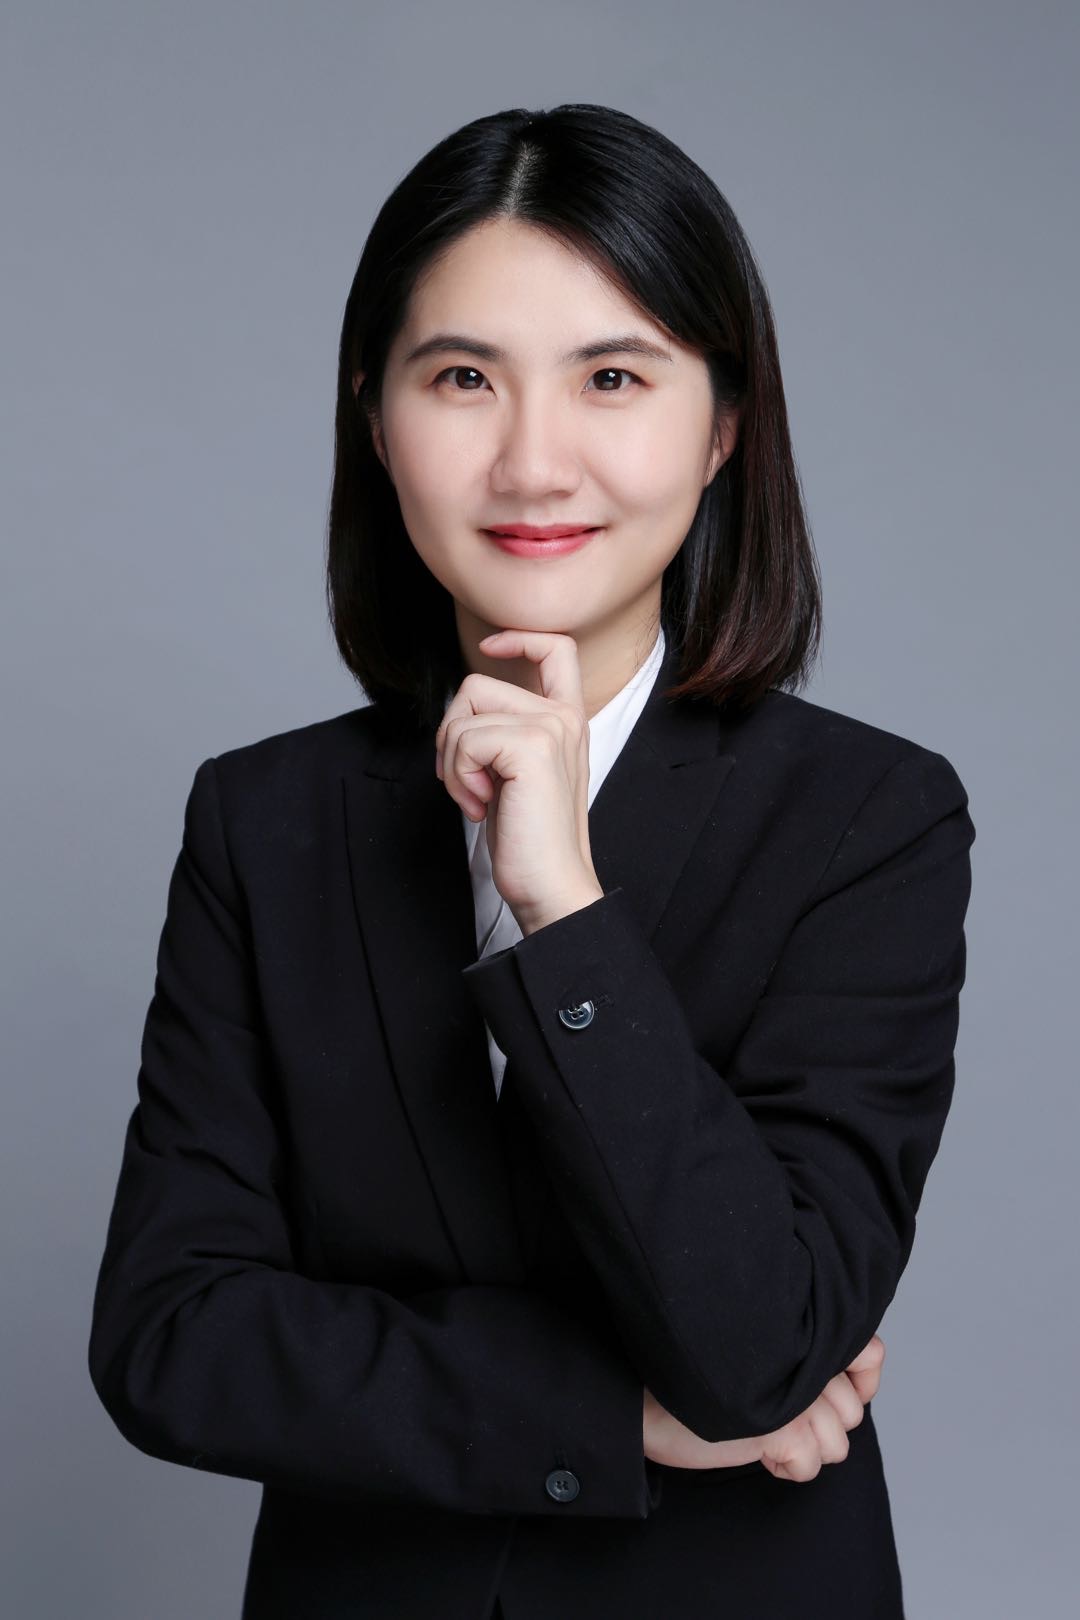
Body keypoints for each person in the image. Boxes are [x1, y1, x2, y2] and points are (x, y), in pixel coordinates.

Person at [87, 103, 975, 1619]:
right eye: (463, 378)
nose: (533, 461)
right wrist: (606, 1415)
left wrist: (562, 907)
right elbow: (172, 1339)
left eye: (612, 377)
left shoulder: (870, 817)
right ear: (376, 420)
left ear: (724, 426)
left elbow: (757, 1344)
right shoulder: (262, 818)